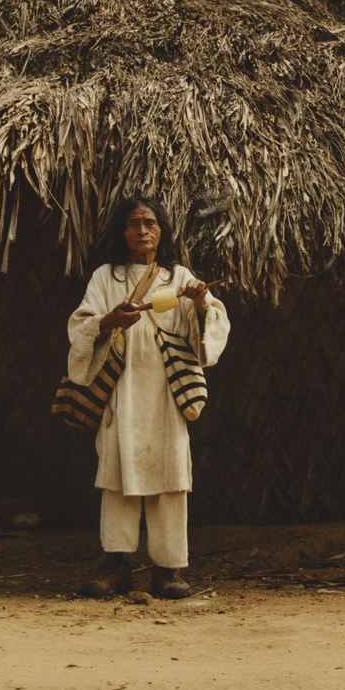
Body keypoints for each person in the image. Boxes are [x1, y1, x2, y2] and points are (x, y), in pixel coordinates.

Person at [67, 195, 229, 599]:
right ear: (123, 233)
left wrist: (197, 303)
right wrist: (108, 321)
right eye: (134, 224)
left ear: (161, 231)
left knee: (170, 480)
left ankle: (167, 569)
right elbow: (81, 326)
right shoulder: (107, 277)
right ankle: (115, 567)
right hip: (122, 394)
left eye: (150, 223)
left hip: (166, 395)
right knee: (118, 478)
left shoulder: (178, 278)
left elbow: (211, 323)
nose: (143, 231)